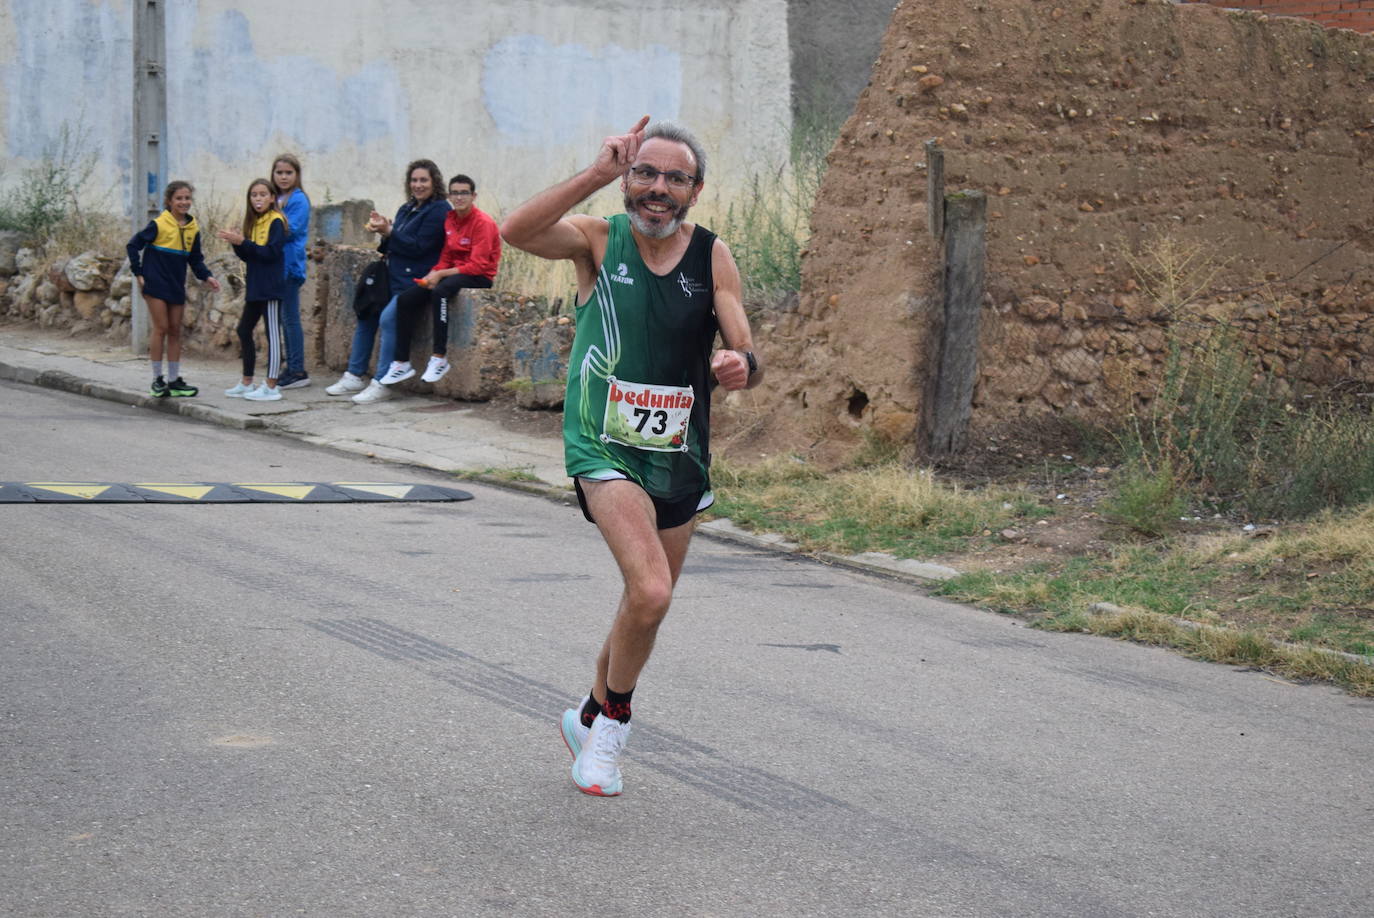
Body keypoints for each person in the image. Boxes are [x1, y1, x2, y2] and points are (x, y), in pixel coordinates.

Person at [500, 117, 762, 797]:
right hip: (601, 443)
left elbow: (746, 348)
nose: (657, 188)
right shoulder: (596, 239)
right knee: (650, 590)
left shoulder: (713, 256)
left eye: (675, 178)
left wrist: (739, 366)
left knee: (645, 605)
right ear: (628, 178)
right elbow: (515, 233)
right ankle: (612, 730)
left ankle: (586, 714)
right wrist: (594, 172)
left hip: (678, 454)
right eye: (644, 172)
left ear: (695, 191)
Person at [324, 160, 450, 403]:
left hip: (417, 280)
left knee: (388, 318)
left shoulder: (439, 210)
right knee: (367, 313)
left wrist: (391, 232)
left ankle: (382, 381)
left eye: (423, 180)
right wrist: (383, 230)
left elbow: (419, 247)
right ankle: (355, 374)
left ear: (434, 181)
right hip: (391, 276)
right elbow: (390, 245)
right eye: (414, 180)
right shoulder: (406, 208)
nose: (418, 185)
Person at [379, 174, 501, 388]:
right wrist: (432, 273)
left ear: (473, 196)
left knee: (440, 291)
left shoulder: (483, 223)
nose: (459, 197)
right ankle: (401, 363)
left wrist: (441, 275)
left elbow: (478, 265)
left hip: (478, 276)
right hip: (454, 272)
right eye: (455, 193)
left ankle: (439, 357)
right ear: (449, 195)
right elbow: (446, 256)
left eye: (464, 193)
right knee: (406, 299)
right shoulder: (450, 218)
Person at [126, 180, 222, 397]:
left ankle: (173, 380)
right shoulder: (158, 224)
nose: (184, 202)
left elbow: (196, 259)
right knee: (161, 328)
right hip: (155, 283)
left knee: (175, 330)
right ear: (169, 201)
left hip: (176, 284)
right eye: (179, 198)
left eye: (187, 198)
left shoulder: (192, 228)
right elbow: (133, 245)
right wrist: (138, 272)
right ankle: (157, 380)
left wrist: (207, 276)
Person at [218, 178, 289, 401]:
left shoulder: (276, 221)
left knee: (272, 335)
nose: (258, 199)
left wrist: (244, 242)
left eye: (262, 194)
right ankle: (247, 381)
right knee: (243, 330)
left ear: (271, 198)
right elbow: (251, 255)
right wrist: (237, 243)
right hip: (256, 286)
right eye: (254, 195)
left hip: (270, 287)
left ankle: (271, 385)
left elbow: (271, 253)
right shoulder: (256, 222)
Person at [270, 154, 312, 389]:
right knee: (281, 320)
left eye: (288, 173)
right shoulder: (275, 197)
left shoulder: (298, 200)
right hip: (274, 266)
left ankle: (298, 370)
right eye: (279, 173)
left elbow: (289, 229)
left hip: (289, 266)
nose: (284, 177)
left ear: (296, 175)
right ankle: (288, 366)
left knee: (290, 319)